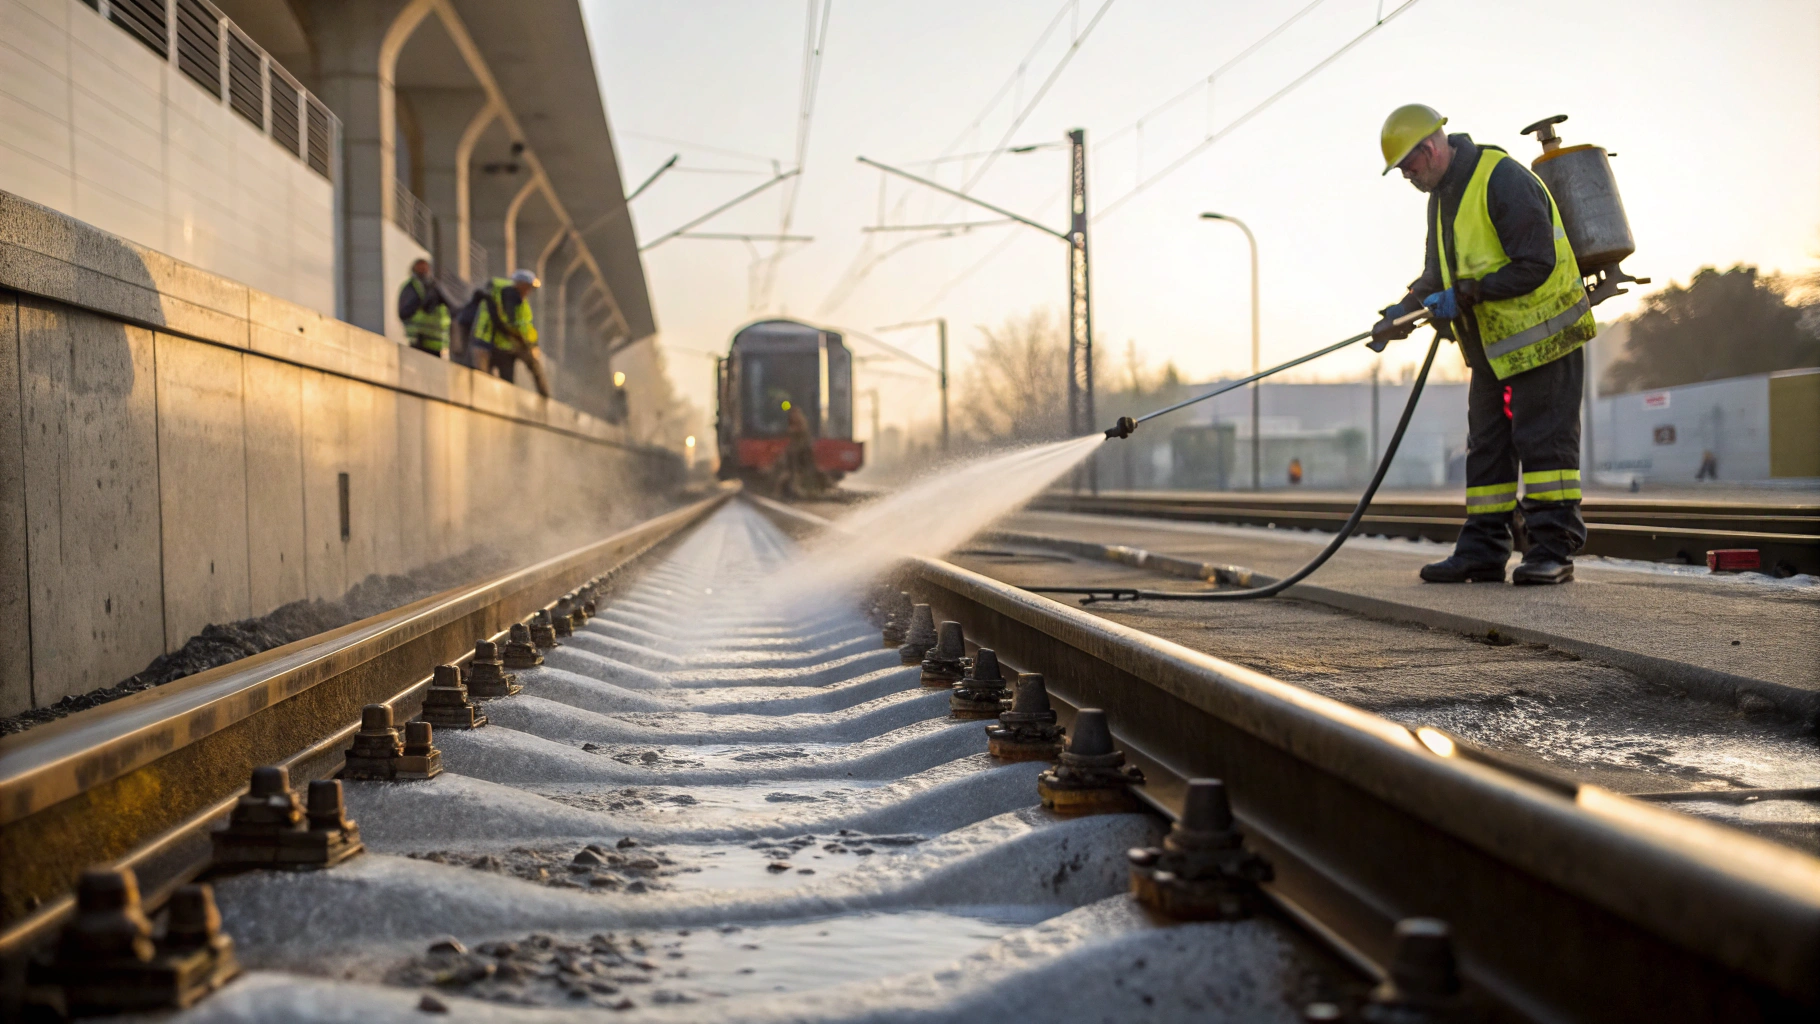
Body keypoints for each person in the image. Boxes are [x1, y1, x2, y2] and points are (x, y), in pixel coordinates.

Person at [1371, 104, 1596, 586]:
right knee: (1487, 449)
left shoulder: (1501, 178)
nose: (1406, 177)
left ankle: (1552, 550)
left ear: (1429, 149)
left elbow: (1536, 261)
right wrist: (1401, 313)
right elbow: (1438, 274)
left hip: (1545, 337)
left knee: (1545, 447)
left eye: (1407, 166)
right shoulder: (1443, 195)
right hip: (1493, 348)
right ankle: (1484, 549)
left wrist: (1471, 292)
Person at [472, 269, 550, 397]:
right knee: (503, 376)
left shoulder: (520, 301)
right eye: (527, 287)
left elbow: (524, 325)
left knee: (508, 376)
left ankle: (544, 395)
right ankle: (544, 394)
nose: (528, 291)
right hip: (501, 343)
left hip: (509, 343)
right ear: (520, 284)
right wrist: (519, 338)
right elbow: (506, 322)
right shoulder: (510, 295)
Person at [397, 258, 450, 357]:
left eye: (425, 268)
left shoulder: (435, 287)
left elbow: (451, 305)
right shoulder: (411, 288)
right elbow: (404, 312)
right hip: (419, 340)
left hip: (437, 343)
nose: (423, 271)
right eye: (420, 269)